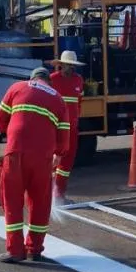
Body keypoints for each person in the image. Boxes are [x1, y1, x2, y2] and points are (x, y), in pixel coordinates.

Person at [0, 67, 71, 263]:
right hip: (43, 157)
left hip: (16, 152)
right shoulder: (58, 99)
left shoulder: (17, 87)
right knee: (40, 203)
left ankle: (15, 250)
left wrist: (14, 134)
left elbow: (0, 120)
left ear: (32, 78)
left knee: (12, 200)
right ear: (49, 82)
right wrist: (58, 154)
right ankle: (34, 250)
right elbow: (64, 138)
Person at [49, 50, 85, 203]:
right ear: (61, 64)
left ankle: (59, 194)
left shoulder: (78, 80)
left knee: (67, 162)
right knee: (52, 161)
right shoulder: (52, 79)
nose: (69, 68)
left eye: (72, 65)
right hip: (56, 128)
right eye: (67, 65)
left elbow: (79, 102)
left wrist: (77, 118)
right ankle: (48, 193)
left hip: (72, 128)